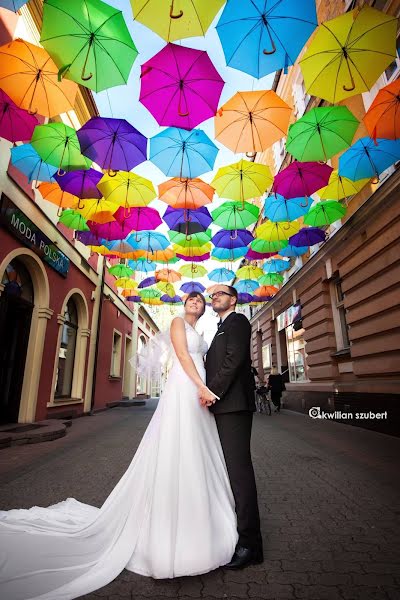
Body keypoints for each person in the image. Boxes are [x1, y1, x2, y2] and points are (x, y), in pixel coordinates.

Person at [0, 292, 239, 600]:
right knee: (179, 443)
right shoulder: (178, 323)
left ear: (204, 308)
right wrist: (202, 385)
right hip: (186, 387)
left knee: (198, 446)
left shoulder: (202, 331)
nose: (195, 301)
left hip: (199, 388)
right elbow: (182, 357)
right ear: (183, 305)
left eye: (200, 300)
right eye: (191, 298)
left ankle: (199, 514)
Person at [200, 284, 263, 570]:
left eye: (221, 294)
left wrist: (211, 391)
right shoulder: (221, 326)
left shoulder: (237, 321)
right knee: (229, 471)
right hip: (223, 405)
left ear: (233, 299)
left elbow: (233, 361)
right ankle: (237, 534)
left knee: (239, 473)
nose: (215, 298)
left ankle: (250, 545)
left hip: (233, 405)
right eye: (212, 295)